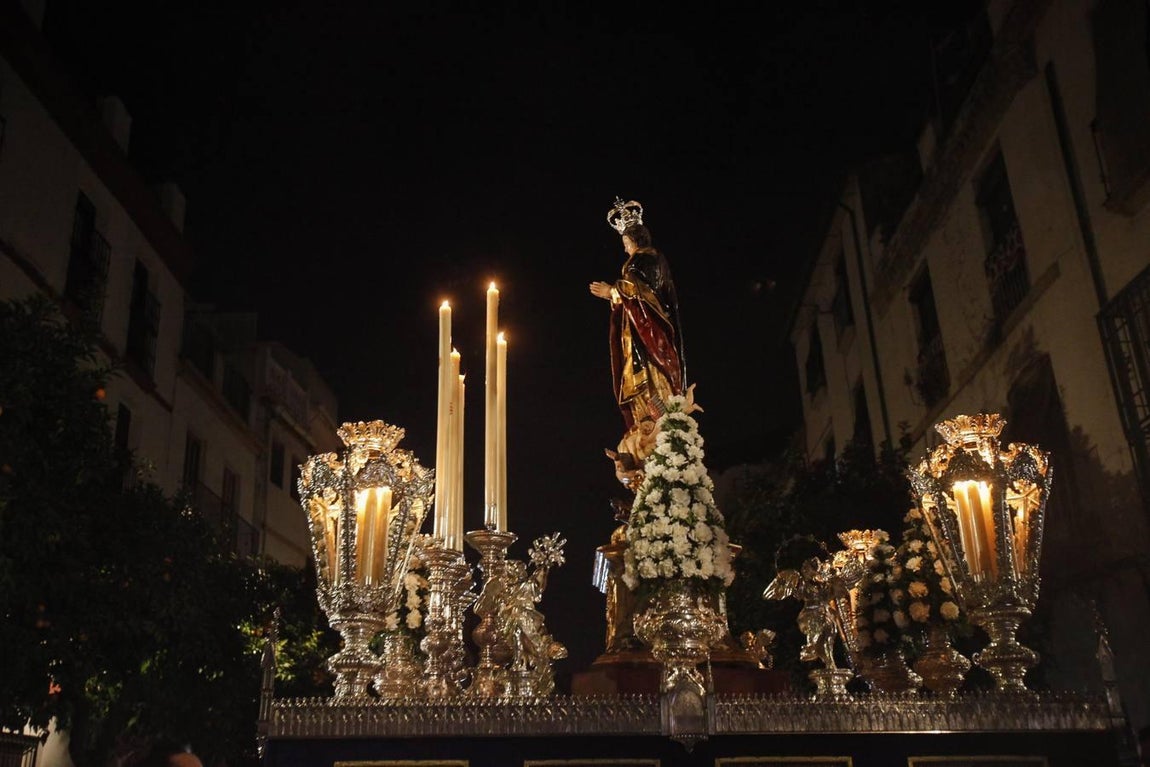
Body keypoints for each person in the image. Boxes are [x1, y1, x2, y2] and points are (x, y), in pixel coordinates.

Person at [590, 198, 688, 465]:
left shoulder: (643, 261)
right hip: (639, 335)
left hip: (648, 337)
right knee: (641, 386)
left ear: (632, 240)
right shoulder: (648, 262)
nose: (625, 248)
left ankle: (662, 432)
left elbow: (638, 292)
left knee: (652, 381)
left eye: (625, 242)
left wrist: (611, 291)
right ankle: (648, 434)